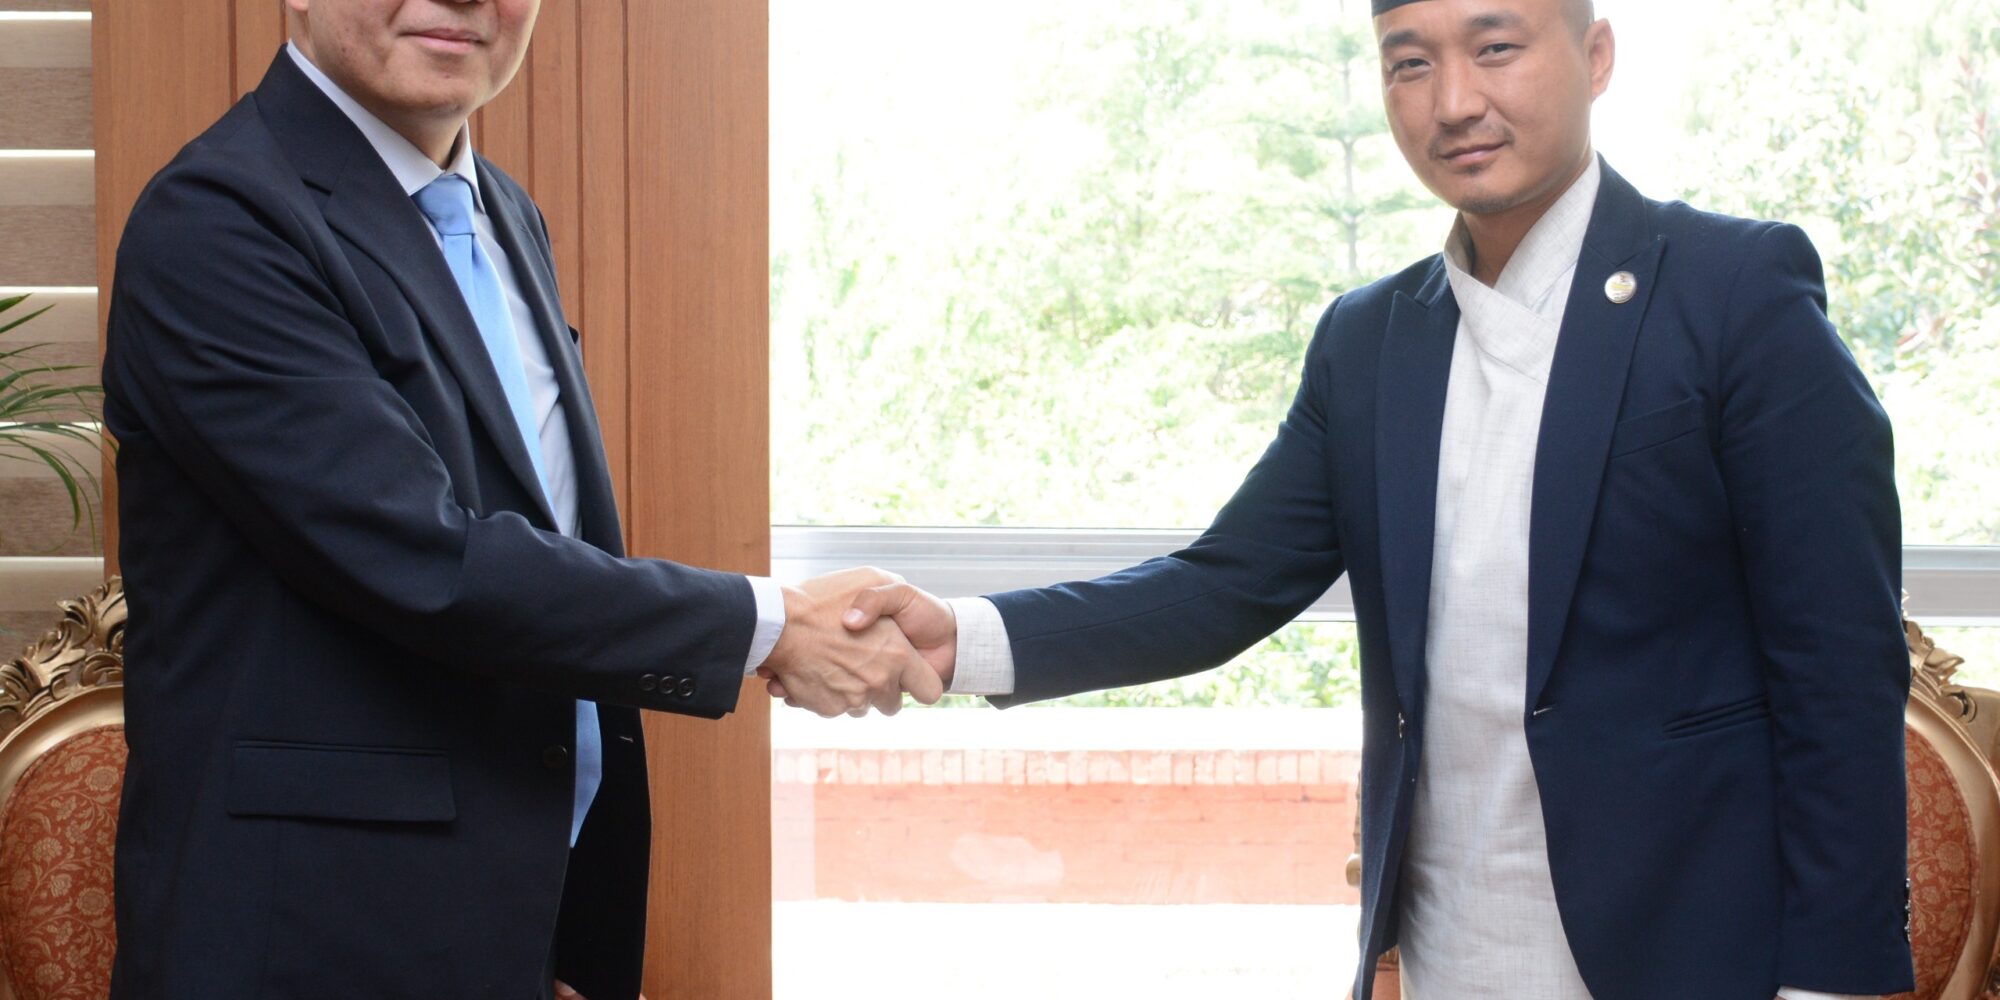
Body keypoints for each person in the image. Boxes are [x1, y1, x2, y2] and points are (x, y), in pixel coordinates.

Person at [810, 0, 1915, 997]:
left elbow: (1837, 663)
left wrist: (1836, 981)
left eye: (1494, 47)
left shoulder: (1734, 292)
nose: (1454, 101)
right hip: (1447, 941)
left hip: (1692, 946)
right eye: (1408, 62)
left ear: (1594, 57)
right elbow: (1222, 586)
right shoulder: (1370, 338)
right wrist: (958, 638)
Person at [100, 1, 935, 997]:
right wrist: (771, 627)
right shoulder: (218, 221)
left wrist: (543, 940)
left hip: (507, 922)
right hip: (310, 938)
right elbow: (426, 559)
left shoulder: (502, 212)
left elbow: (541, 544)